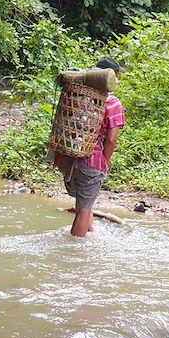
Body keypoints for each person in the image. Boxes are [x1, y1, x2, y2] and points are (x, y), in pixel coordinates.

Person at [55, 56, 125, 238]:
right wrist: (104, 162)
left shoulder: (76, 95)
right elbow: (111, 139)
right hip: (91, 161)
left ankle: (90, 231)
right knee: (84, 209)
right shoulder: (112, 102)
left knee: (84, 201)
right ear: (111, 76)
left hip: (67, 158)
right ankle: (74, 251)